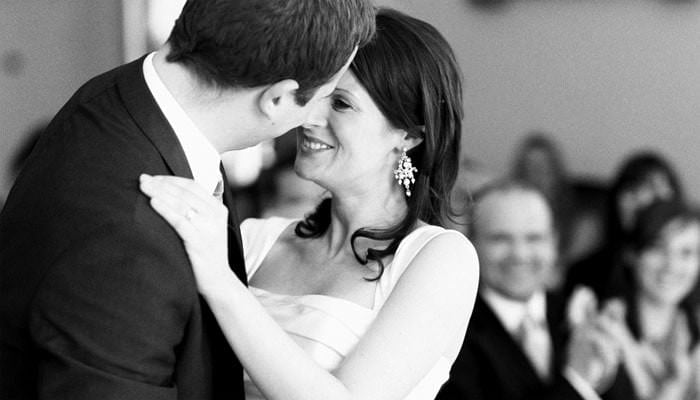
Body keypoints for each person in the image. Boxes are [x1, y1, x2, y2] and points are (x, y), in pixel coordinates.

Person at [0, 0, 375, 398]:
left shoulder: (128, 94)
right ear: (278, 98)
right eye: (327, 95)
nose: (318, 119)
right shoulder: (130, 233)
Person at [139, 8, 479, 400]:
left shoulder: (440, 258)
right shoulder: (254, 238)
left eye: (341, 104)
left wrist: (220, 282)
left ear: (408, 137)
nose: (308, 115)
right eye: (316, 94)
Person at [436, 180, 624, 400]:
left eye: (534, 238)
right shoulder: (450, 332)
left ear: (554, 243)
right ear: (472, 242)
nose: (520, 254)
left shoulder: (578, 317)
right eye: (501, 239)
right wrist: (578, 382)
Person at [605, 200, 700, 400]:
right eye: (657, 248)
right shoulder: (605, 332)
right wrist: (675, 384)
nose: (671, 265)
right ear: (631, 254)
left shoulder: (694, 331)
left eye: (686, 253)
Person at [565, 150, 685, 301]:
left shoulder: (687, 271)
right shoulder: (584, 272)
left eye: (654, 191)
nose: (642, 199)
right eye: (633, 191)